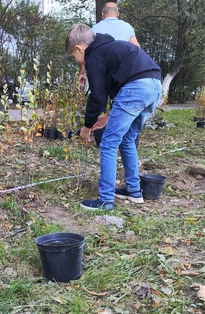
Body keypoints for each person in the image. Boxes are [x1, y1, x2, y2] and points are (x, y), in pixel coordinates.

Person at [66, 24, 162, 210]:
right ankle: (134, 191)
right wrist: (109, 115)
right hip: (154, 86)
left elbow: (98, 97)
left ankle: (105, 200)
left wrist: (86, 128)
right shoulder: (111, 48)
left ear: (79, 48)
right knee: (127, 138)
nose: (78, 62)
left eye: (74, 57)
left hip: (136, 88)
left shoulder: (94, 56)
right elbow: (127, 80)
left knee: (109, 142)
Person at [78, 2, 140, 87]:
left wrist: (82, 73)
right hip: (123, 72)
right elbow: (137, 48)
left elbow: (87, 54)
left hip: (101, 72)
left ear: (102, 14)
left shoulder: (94, 29)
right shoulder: (127, 27)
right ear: (118, 14)